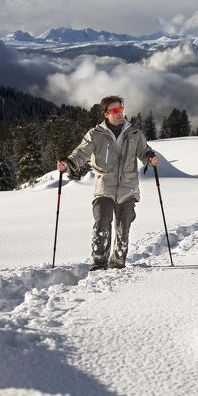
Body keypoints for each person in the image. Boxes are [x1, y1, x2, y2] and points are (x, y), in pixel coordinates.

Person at [57, 95, 159, 271]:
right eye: (114, 111)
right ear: (106, 114)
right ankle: (99, 263)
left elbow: (144, 151)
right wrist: (68, 164)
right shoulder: (96, 134)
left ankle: (118, 263)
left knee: (123, 228)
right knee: (102, 223)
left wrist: (151, 159)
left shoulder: (134, 133)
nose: (119, 113)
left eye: (120, 109)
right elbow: (81, 153)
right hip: (104, 187)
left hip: (128, 188)